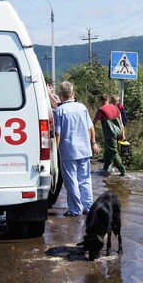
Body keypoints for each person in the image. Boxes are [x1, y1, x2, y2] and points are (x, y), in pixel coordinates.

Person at [54, 81, 100, 216]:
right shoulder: (82, 107)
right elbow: (90, 127)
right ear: (73, 93)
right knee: (85, 179)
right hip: (84, 149)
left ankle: (75, 210)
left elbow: (58, 133)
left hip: (69, 151)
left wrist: (56, 151)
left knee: (71, 181)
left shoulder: (60, 111)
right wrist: (93, 143)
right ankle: (88, 207)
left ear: (61, 95)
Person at [94, 94, 127, 176]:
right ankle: (105, 169)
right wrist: (123, 134)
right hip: (119, 131)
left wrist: (92, 132)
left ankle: (123, 171)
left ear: (101, 101)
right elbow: (121, 122)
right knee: (108, 150)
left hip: (110, 133)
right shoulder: (115, 107)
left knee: (113, 152)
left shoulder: (101, 110)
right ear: (108, 100)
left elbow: (93, 122)